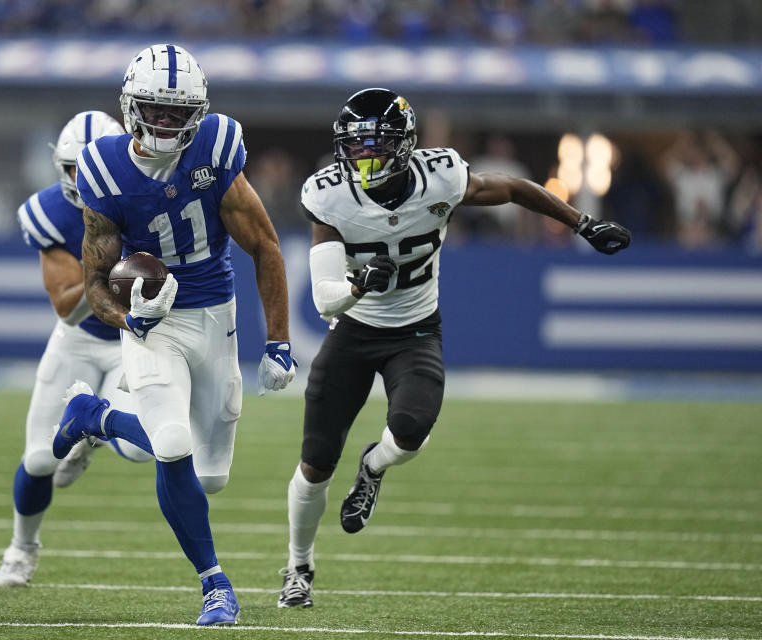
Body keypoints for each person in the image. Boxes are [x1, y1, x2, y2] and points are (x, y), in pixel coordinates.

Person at [278, 88, 631, 609]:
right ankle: (298, 567)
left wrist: (581, 223)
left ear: (403, 147)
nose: (359, 157)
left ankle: (373, 467)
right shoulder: (329, 196)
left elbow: (512, 188)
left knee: (411, 436)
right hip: (353, 331)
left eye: (372, 146)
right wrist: (360, 286)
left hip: (416, 330)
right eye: (352, 146)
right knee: (314, 463)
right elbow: (326, 299)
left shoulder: (440, 176)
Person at [49, 44, 297, 626]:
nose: (165, 122)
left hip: (215, 313)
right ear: (131, 108)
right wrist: (131, 319)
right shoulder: (104, 169)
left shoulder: (215, 147)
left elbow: (264, 244)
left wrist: (279, 341)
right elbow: (96, 281)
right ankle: (215, 585)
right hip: (154, 322)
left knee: (208, 475)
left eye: (176, 111)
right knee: (170, 444)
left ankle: (97, 416)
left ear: (199, 111)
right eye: (154, 110)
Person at [0, 110, 155, 589]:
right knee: (40, 459)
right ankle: (21, 549)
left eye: (92, 169)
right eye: (72, 171)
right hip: (81, 341)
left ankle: (93, 430)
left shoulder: (147, 197)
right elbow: (66, 307)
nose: (82, 182)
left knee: (139, 448)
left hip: (132, 339)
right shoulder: (51, 212)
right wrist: (104, 272)